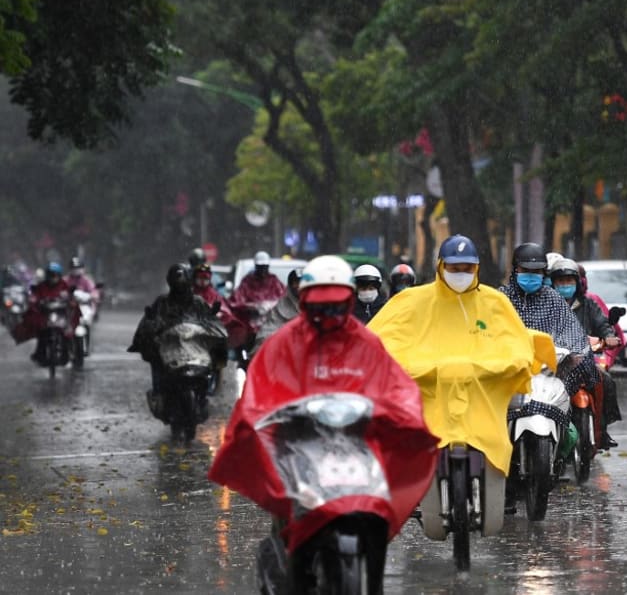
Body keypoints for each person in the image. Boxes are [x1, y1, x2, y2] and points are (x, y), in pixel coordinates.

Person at [208, 255, 436, 556]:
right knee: (288, 518)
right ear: (305, 302)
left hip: (353, 448)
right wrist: (261, 419)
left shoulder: (366, 342)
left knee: (377, 514)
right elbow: (259, 388)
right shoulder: (283, 342)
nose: (328, 312)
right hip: (300, 445)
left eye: (336, 302)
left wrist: (405, 416)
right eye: (320, 303)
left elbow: (395, 385)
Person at [366, 235, 540, 509]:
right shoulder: (414, 300)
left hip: (481, 390)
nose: (461, 274)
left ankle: (505, 485)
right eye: (454, 268)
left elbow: (512, 338)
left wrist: (510, 360)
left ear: (477, 268)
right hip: (431, 389)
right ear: (441, 266)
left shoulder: (494, 302)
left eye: (467, 268)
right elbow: (385, 334)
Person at [499, 243, 603, 442]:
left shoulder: (553, 299)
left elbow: (570, 330)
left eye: (536, 271)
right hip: (509, 371)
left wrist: (576, 352)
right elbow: (489, 331)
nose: (531, 275)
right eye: (525, 271)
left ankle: (573, 439)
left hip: (549, 370)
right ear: (515, 270)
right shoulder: (501, 298)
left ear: (543, 272)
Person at [550, 257, 624, 447]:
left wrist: (608, 336)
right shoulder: (545, 305)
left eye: (569, 281)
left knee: (605, 380)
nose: (565, 285)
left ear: (577, 283)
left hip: (583, 360)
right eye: (560, 281)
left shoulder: (589, 305)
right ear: (552, 283)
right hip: (554, 363)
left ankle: (602, 428)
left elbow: (603, 324)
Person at [129, 263, 225, 403]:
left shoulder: (197, 302)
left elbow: (210, 322)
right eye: (177, 284)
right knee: (155, 358)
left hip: (194, 349)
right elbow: (147, 326)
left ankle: (209, 389)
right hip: (170, 349)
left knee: (217, 350)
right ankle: (158, 393)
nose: (180, 287)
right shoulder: (162, 302)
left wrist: (213, 317)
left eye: (183, 283)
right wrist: (149, 330)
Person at [26, 261, 78, 362]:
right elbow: (34, 297)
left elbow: (72, 299)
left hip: (61, 316)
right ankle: (39, 354)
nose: (53, 277)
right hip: (46, 316)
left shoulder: (64, 285)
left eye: (55, 275)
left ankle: (70, 352)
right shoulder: (41, 286)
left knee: (68, 333)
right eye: (50, 275)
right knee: (41, 333)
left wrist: (71, 301)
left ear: (59, 276)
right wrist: (34, 301)